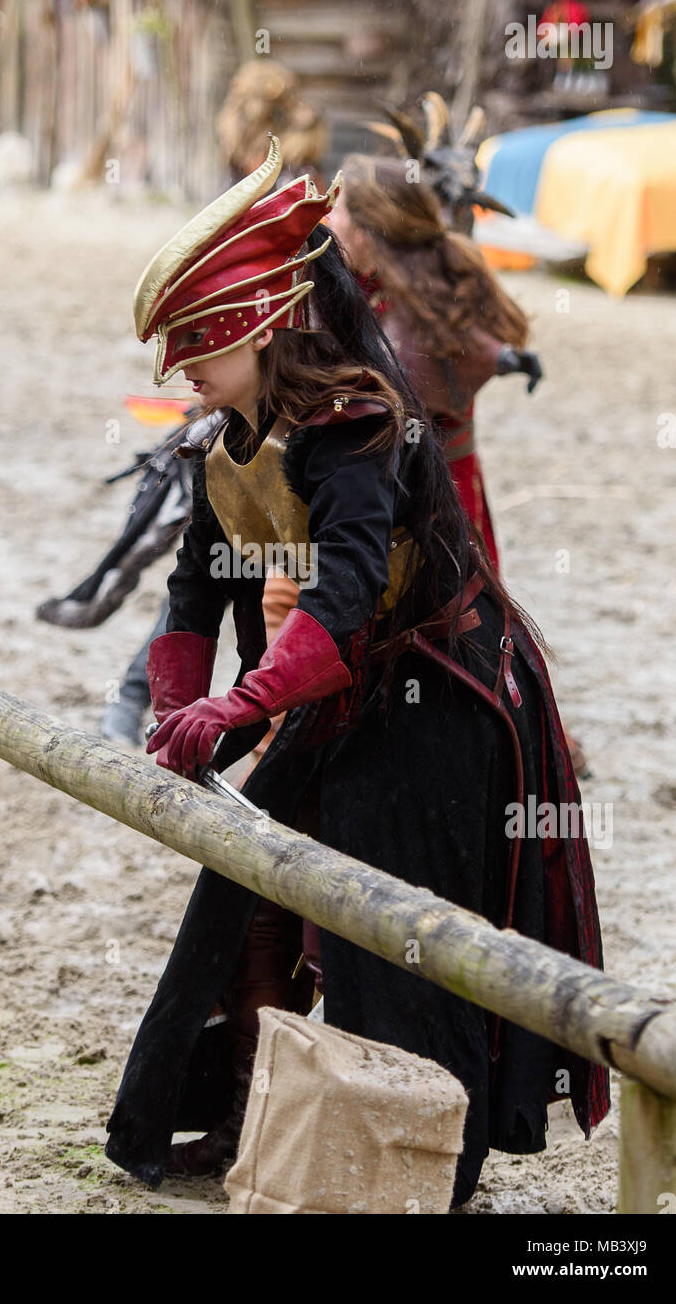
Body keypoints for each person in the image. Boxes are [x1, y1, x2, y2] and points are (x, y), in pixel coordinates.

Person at [103, 136, 609, 1207]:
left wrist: (236, 709)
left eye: (195, 346)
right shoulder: (225, 436)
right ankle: (250, 1124)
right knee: (247, 902)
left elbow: (336, 605)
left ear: (249, 327)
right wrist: (180, 705)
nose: (180, 373)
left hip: (443, 692)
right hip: (338, 689)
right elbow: (195, 592)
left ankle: (427, 1164)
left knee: (396, 933)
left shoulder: (355, 425)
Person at [326, 155, 542, 571]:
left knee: (450, 604)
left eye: (338, 208)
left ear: (369, 230)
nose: (329, 218)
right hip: (381, 478)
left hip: (434, 483)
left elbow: (443, 346)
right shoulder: (353, 277)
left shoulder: (423, 295)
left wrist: (503, 357)